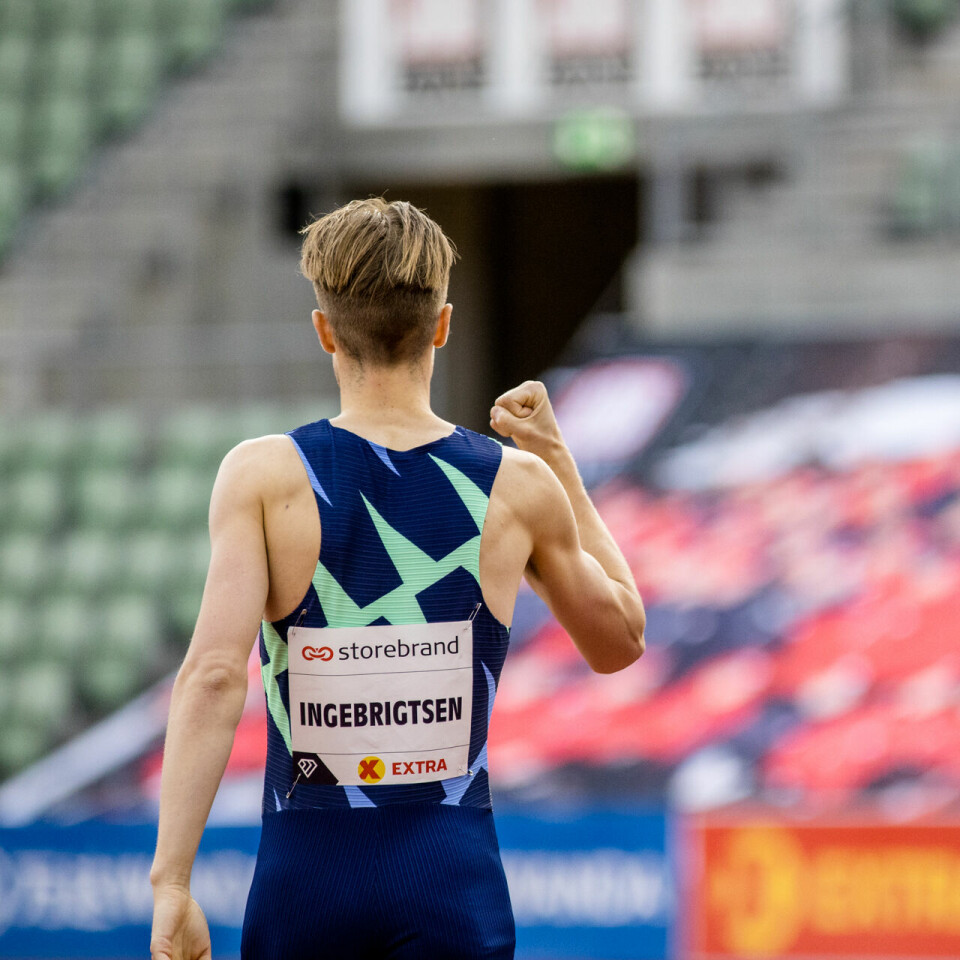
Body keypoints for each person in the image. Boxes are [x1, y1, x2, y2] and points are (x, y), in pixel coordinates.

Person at [149, 198, 645, 960]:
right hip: (450, 883)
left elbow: (215, 676)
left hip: (304, 884)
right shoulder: (515, 485)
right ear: (442, 325)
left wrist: (172, 884)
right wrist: (558, 464)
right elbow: (620, 640)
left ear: (324, 333)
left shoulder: (264, 476)